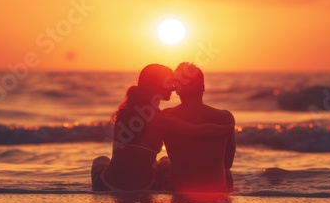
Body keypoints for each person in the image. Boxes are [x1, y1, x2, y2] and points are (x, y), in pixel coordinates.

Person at [91, 64, 234, 191]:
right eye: (169, 83)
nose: (172, 87)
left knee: (102, 159)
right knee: (162, 163)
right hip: (146, 189)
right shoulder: (164, 120)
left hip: (110, 185)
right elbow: (202, 134)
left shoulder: (127, 113)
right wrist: (227, 128)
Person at [161, 62, 236, 193]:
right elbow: (228, 163)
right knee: (226, 171)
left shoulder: (166, 116)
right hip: (217, 190)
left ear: (177, 89)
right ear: (203, 87)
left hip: (179, 189)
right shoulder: (225, 117)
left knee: (163, 162)